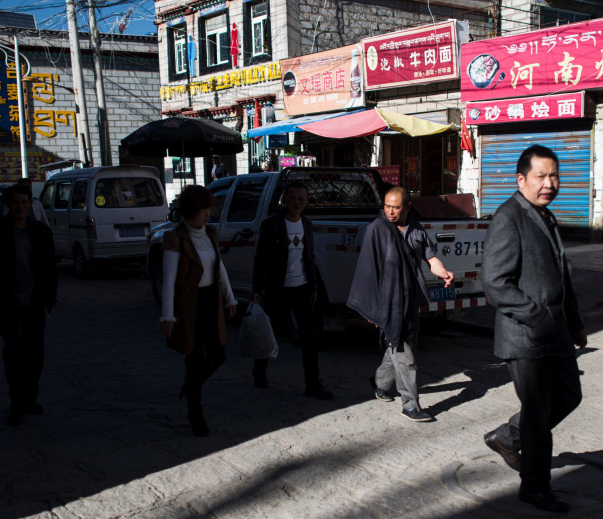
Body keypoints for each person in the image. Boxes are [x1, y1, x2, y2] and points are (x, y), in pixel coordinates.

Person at [481, 145, 588, 513]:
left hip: (555, 330)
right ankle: (535, 487)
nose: (549, 183)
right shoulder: (508, 217)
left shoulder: (546, 215)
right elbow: (495, 281)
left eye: (554, 176)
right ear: (521, 179)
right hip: (525, 333)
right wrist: (536, 315)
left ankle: (508, 436)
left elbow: (562, 276)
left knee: (570, 395)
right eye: (541, 176)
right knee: (539, 411)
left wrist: (573, 322)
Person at [347, 186, 453, 422]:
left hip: (409, 298)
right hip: (388, 300)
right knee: (405, 354)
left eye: (396, 207)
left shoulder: (416, 229)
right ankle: (410, 405)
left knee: (400, 344)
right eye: (387, 206)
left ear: (407, 207)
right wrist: (372, 308)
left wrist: (443, 272)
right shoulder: (377, 229)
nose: (390, 212)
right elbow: (368, 269)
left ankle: (380, 383)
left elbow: (430, 257)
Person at [0, 184, 58, 426]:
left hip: (34, 303)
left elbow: (49, 269)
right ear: (8, 204)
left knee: (35, 355)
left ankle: (30, 397)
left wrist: (51, 298)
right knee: (14, 354)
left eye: (24, 202)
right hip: (7, 303)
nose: (20, 207)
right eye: (15, 202)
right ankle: (16, 401)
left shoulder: (41, 232)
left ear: (30, 204)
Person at [160, 184, 238, 437]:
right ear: (190, 212)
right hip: (188, 305)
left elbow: (220, 267)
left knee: (219, 354)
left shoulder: (210, 233)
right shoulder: (175, 237)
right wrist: (168, 315)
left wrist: (230, 298)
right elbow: (169, 280)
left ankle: (190, 386)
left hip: (210, 301)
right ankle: (195, 413)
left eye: (209, 210)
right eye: (203, 211)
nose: (208, 215)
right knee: (193, 360)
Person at [250, 181, 333, 400]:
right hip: (278, 290)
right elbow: (261, 258)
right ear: (285, 199)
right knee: (271, 335)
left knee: (310, 339)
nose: (295, 202)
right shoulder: (272, 224)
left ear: (306, 202)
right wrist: (257, 287)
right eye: (292, 198)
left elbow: (309, 257)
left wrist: (313, 286)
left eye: (300, 199)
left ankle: (312, 383)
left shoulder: (306, 223)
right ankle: (260, 370)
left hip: (302, 289)